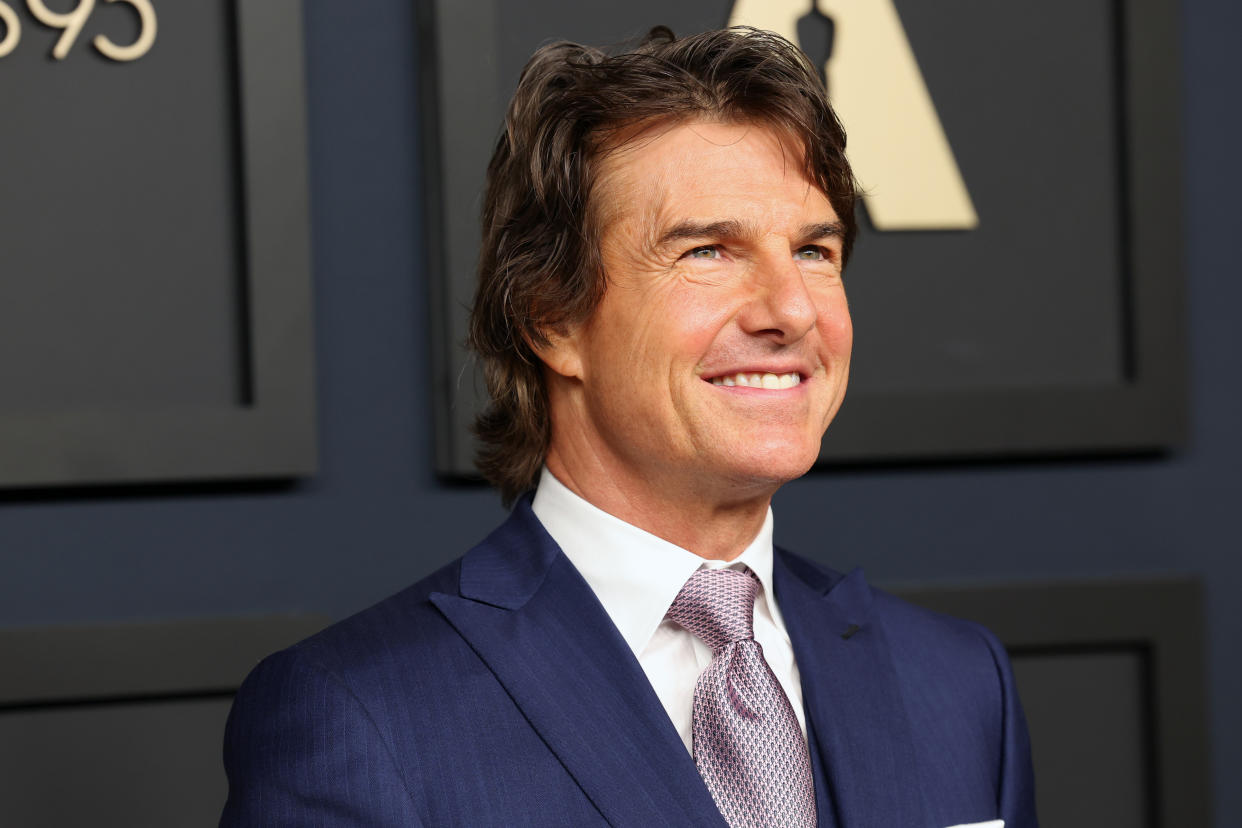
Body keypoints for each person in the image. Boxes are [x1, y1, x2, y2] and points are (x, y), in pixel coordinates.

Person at [220, 26, 1037, 828]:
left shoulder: (960, 683)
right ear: (553, 320)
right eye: (708, 252)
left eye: (815, 251)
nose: (791, 310)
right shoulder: (361, 716)